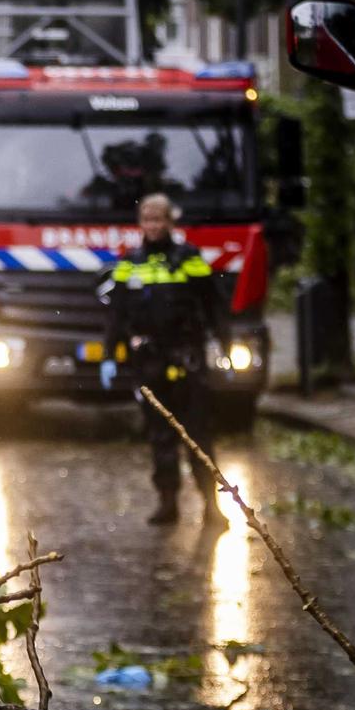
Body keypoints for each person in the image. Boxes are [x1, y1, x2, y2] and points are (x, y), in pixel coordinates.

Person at [98, 193, 230, 525]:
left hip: (188, 359)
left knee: (198, 434)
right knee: (159, 435)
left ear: (170, 222)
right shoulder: (131, 263)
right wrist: (109, 354)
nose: (153, 225)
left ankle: (211, 506)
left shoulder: (188, 258)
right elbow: (117, 313)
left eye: (159, 219)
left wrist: (224, 345)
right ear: (140, 223)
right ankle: (167, 502)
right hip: (150, 362)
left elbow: (213, 303)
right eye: (147, 219)